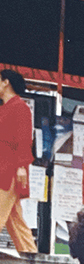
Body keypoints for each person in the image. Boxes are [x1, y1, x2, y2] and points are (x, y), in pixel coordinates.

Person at [0, 69, 37, 253]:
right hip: (3, 167)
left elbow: (23, 140)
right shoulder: (5, 108)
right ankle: (33, 258)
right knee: (16, 222)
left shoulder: (20, 108)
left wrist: (22, 166)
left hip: (8, 170)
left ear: (5, 82)